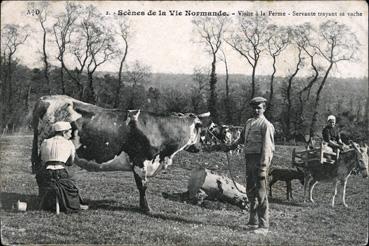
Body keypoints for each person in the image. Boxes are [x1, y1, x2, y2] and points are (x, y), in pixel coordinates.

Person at [222, 96, 275, 235]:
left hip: (260, 161)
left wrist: (263, 167)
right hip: (249, 160)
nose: (256, 110)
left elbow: (268, 148)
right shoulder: (249, 122)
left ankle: (264, 226)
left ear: (264, 109)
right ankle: (253, 222)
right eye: (254, 108)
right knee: (251, 192)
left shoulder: (266, 125)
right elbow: (241, 139)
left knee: (261, 193)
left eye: (259, 107)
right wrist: (230, 146)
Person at [36, 121, 88, 213]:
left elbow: (43, 160)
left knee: (45, 183)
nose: (71, 134)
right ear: (64, 132)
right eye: (69, 132)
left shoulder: (45, 142)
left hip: (46, 173)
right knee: (72, 182)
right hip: (61, 171)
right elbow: (70, 162)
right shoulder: (69, 144)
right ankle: (73, 204)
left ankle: (49, 202)